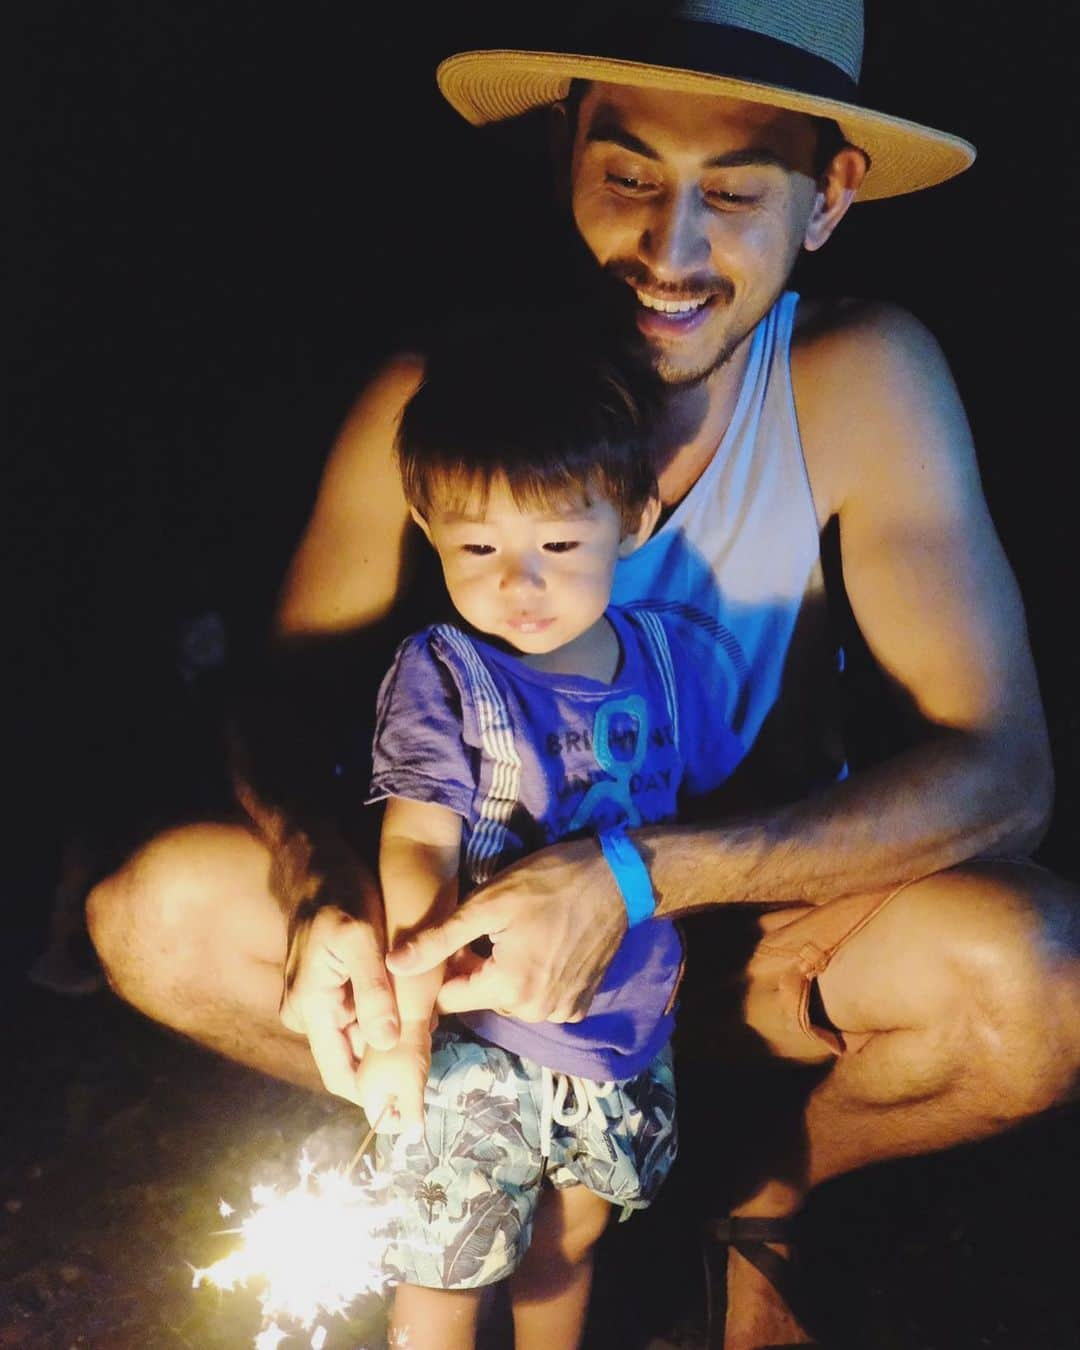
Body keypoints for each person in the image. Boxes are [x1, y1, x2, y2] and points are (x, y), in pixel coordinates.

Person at [86, 3, 1080, 1346]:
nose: (669, 250)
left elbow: (1004, 773)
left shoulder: (858, 379)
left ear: (831, 193)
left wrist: (633, 877)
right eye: (628, 177)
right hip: (480, 979)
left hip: (745, 960)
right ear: (565, 152)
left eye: (733, 192)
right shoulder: (437, 396)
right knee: (155, 914)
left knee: (1033, 981)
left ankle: (745, 1185)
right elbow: (283, 694)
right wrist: (327, 886)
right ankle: (483, 1145)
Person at [356, 331, 744, 1349]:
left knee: (564, 1249)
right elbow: (417, 849)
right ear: (425, 526)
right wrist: (402, 1032)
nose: (518, 585)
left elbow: (696, 822)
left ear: (635, 518)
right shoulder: (445, 673)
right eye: (477, 549)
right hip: (481, 1045)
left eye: (559, 548)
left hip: (621, 1038)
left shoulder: (669, 659)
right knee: (445, 1269)